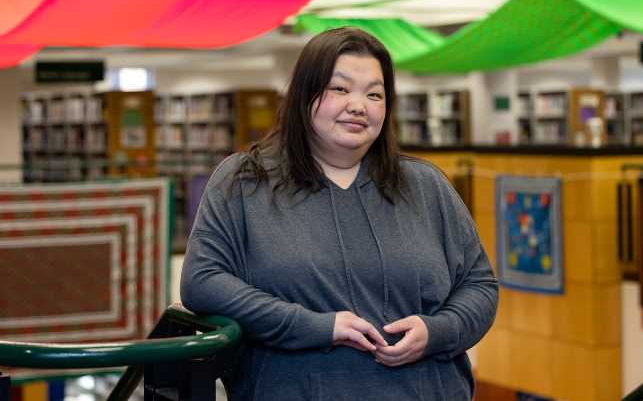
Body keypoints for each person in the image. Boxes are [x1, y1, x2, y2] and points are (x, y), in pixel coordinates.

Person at [180, 27, 498, 400]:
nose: (358, 106)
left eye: (375, 94)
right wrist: (315, 326)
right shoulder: (245, 181)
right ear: (304, 95)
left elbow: (479, 286)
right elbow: (202, 280)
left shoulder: (425, 185)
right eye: (340, 89)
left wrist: (439, 331)